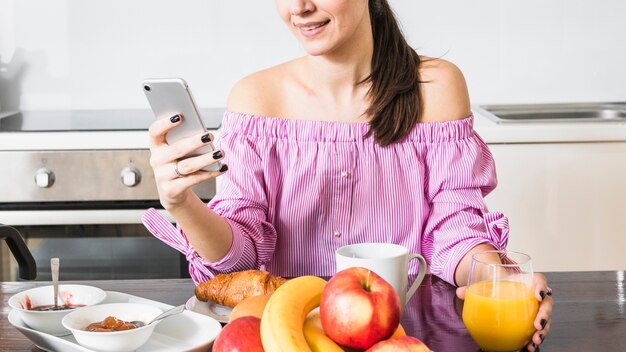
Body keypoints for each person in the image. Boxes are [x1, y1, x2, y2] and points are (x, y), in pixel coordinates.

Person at [142, 0, 553, 350]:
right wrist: (183, 204)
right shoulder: (256, 98)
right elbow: (242, 259)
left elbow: (455, 228)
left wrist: (500, 282)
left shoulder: (436, 87)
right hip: (295, 336)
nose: (298, 7)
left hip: (403, 336)